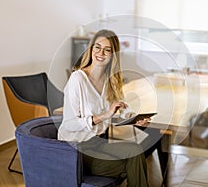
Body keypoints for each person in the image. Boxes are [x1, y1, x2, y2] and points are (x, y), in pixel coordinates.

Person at [58, 29, 152, 187]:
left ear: (113, 55)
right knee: (130, 166)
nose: (101, 53)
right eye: (97, 47)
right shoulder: (78, 79)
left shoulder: (110, 81)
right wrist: (103, 115)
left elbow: (119, 109)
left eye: (107, 50)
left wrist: (134, 119)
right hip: (75, 149)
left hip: (98, 141)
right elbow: (69, 124)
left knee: (136, 150)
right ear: (91, 49)